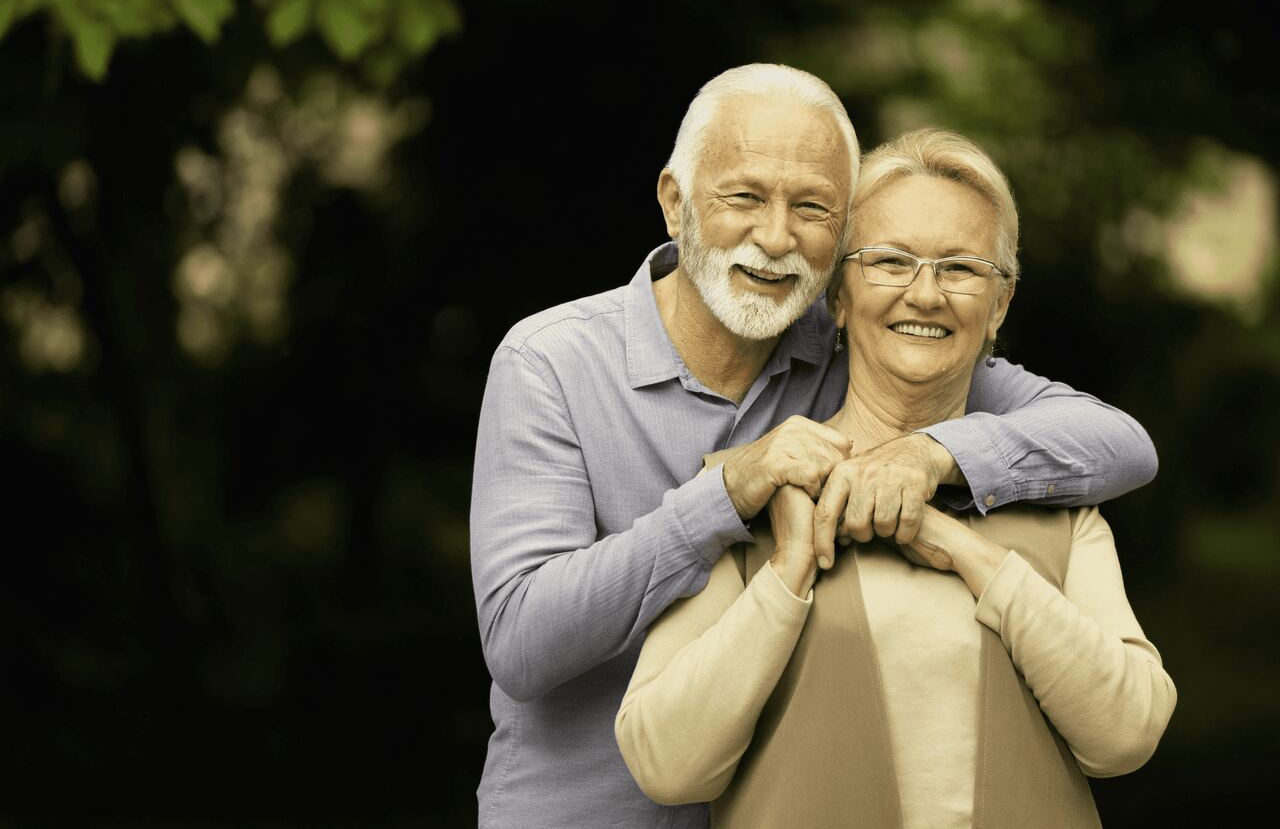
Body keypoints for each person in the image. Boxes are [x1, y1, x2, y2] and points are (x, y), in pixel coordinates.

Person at [470, 64, 1158, 828]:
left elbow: (1120, 443)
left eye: (813, 207)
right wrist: (724, 498)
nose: (775, 236)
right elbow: (522, 644)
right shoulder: (550, 363)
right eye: (744, 196)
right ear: (676, 202)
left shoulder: (860, 339)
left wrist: (931, 455)